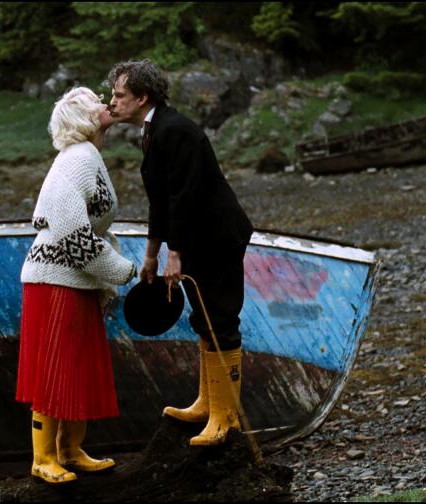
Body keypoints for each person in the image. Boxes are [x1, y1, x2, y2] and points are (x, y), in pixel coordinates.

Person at [106, 60, 254, 447]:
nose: (112, 102)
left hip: (218, 236)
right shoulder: (155, 130)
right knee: (203, 317)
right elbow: (160, 199)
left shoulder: (177, 131)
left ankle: (226, 419)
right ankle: (208, 403)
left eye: (119, 95)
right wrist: (152, 254)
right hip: (196, 237)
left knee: (220, 318)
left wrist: (176, 254)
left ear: (142, 96)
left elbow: (184, 197)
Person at [16, 87, 139, 484]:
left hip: (72, 278)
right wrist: (120, 269)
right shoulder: (78, 160)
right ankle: (43, 458)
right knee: (52, 366)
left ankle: (70, 450)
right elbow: (71, 231)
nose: (105, 104)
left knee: (77, 365)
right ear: (82, 119)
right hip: (55, 279)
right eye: (94, 103)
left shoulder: (86, 156)